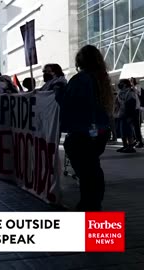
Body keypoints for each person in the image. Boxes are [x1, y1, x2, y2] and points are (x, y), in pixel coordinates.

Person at [56, 45, 113, 211]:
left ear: (80, 62)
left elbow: (70, 104)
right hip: (99, 132)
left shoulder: (80, 79)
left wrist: (59, 94)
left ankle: (89, 206)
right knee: (93, 168)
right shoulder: (101, 78)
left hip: (83, 132)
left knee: (86, 171)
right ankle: (93, 204)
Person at [114, 79, 138, 153]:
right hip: (121, 114)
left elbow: (132, 104)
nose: (119, 84)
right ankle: (125, 146)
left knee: (128, 131)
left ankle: (130, 147)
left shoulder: (130, 92)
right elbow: (117, 103)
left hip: (128, 114)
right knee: (122, 131)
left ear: (125, 84)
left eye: (121, 83)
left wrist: (130, 116)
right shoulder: (120, 92)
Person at [130, 77, 143, 148]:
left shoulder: (137, 86)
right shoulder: (130, 89)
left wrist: (133, 87)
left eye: (131, 80)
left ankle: (140, 141)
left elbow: (139, 93)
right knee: (133, 126)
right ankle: (136, 140)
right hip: (132, 109)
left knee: (137, 126)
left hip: (137, 108)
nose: (131, 82)